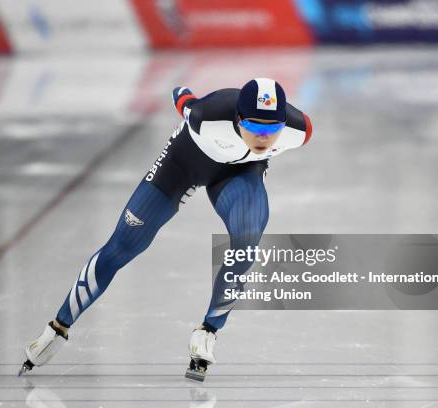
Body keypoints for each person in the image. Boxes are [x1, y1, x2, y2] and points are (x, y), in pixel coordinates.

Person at [18, 78, 313, 380]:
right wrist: (182, 90)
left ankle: (207, 332)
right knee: (122, 247)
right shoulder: (206, 116)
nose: (264, 137)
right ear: (238, 119)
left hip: (239, 174)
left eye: (272, 128)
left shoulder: (299, 130)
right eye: (256, 127)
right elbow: (182, 98)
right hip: (182, 165)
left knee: (247, 240)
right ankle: (58, 328)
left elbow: (274, 132)